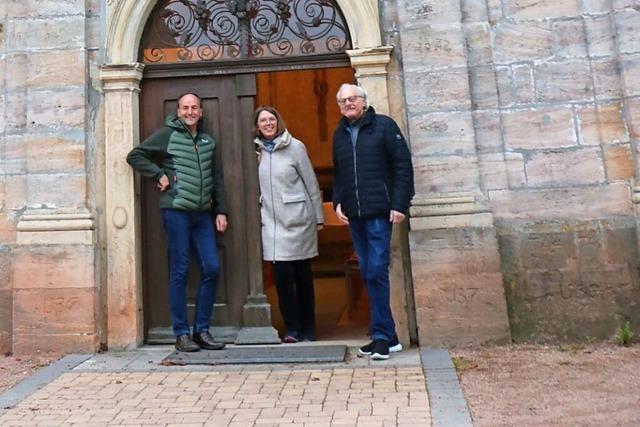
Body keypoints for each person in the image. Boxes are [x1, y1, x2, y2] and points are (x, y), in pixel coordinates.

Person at [126, 93, 228, 352]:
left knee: (212, 268)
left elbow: (216, 177)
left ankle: (201, 330)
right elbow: (135, 155)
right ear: (178, 111)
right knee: (180, 271)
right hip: (176, 212)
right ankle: (181, 334)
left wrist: (221, 210)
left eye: (194, 108)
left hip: (203, 214)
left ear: (201, 112)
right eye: (185, 108)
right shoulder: (167, 134)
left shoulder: (208, 141)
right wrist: (158, 174)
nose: (190, 111)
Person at [332, 83, 414, 360]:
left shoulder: (384, 126)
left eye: (352, 99)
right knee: (369, 272)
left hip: (380, 211)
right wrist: (337, 200)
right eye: (343, 101)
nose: (348, 104)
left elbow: (402, 166)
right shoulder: (339, 133)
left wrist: (400, 204)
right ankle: (389, 336)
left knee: (376, 270)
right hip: (355, 214)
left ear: (364, 101)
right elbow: (340, 172)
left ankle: (380, 337)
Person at [253, 106, 324, 343]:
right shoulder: (256, 151)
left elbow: (311, 183)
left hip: (298, 221)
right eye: (263, 120)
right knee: (282, 279)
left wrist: (318, 217)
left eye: (271, 119)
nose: (268, 123)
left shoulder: (295, 147)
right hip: (272, 223)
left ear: (278, 121)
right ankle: (291, 328)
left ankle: (308, 328)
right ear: (257, 125)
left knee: (302, 277)